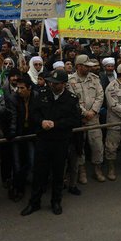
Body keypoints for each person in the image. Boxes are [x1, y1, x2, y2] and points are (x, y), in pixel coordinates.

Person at [21, 69, 81, 216]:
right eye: (51, 82)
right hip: (43, 140)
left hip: (60, 141)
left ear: (63, 84)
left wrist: (56, 124)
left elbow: (75, 120)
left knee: (58, 173)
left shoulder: (72, 98)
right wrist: (41, 122)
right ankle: (34, 202)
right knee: (39, 173)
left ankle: (56, 201)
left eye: (56, 83)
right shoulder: (41, 95)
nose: (52, 85)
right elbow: (33, 113)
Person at [68, 54, 105, 183]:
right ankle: (82, 171)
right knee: (80, 146)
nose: (89, 68)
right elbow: (72, 100)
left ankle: (97, 169)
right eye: (86, 66)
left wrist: (93, 111)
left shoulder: (95, 78)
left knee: (97, 145)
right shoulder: (70, 80)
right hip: (80, 120)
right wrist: (84, 113)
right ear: (78, 66)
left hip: (94, 118)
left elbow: (100, 95)